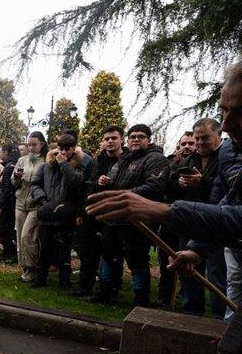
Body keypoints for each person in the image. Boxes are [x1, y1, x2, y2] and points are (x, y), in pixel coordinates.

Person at [85, 60, 242, 354]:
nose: (228, 123)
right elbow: (228, 207)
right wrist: (195, 248)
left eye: (239, 112)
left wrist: (161, 210)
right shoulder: (237, 152)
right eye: (224, 110)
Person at [91, 123, 167, 307]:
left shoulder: (155, 159)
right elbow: (114, 183)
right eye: (132, 137)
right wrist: (103, 182)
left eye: (140, 136)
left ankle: (141, 300)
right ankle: (106, 293)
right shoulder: (124, 159)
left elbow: (154, 187)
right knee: (109, 257)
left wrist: (123, 196)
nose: (135, 139)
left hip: (136, 220)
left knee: (137, 262)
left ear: (149, 140)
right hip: (114, 219)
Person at [166, 120, 227, 317]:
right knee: (188, 270)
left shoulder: (227, 157)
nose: (200, 143)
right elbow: (171, 182)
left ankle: (221, 317)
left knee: (218, 274)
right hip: (191, 223)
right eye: (197, 138)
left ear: (218, 135)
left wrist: (203, 182)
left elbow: (228, 191)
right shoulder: (190, 159)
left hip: (218, 224)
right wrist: (181, 182)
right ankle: (191, 313)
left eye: (205, 138)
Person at [72, 125, 126, 297]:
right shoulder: (96, 161)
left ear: (121, 139)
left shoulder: (126, 161)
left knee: (111, 252)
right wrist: (81, 212)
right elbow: (85, 188)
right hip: (92, 210)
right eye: (107, 139)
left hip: (114, 211)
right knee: (87, 250)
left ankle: (110, 287)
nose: (110, 142)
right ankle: (85, 285)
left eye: (114, 138)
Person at [30, 134, 85, 287]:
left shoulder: (79, 165)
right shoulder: (47, 166)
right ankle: (41, 278)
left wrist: (64, 165)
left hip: (67, 214)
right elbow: (35, 184)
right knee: (45, 247)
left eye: (67, 149)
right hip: (47, 212)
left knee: (65, 250)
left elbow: (77, 183)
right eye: (61, 149)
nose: (63, 152)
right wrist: (42, 201)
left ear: (74, 149)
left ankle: (64, 280)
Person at [156, 132, 197, 307]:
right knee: (165, 258)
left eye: (191, 143)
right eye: (183, 143)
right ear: (178, 146)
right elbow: (163, 185)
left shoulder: (201, 164)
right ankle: (164, 297)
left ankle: (190, 303)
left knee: (188, 262)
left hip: (192, 221)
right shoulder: (171, 163)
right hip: (170, 219)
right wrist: (177, 182)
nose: (187, 146)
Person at [12, 131, 47, 282]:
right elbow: (13, 183)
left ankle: (32, 268)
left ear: (42, 144)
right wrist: (16, 177)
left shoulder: (46, 161)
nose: (31, 148)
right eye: (29, 144)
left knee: (29, 236)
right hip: (20, 202)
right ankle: (25, 268)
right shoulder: (22, 160)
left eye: (34, 145)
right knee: (20, 237)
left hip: (35, 205)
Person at [0, 144, 19, 263]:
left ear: (6, 152)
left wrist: (0, 203)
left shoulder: (10, 167)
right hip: (10, 201)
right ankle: (6, 253)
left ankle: (10, 253)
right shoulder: (10, 165)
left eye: (0, 152)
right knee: (5, 229)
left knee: (3, 228)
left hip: (8, 202)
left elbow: (7, 187)